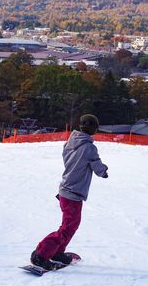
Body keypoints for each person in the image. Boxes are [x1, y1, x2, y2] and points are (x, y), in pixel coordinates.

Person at [30, 114, 108, 270]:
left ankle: (57, 252)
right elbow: (97, 167)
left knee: (70, 225)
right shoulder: (89, 147)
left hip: (66, 190)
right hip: (73, 192)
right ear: (94, 129)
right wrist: (104, 171)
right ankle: (41, 254)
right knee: (68, 227)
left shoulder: (70, 142)